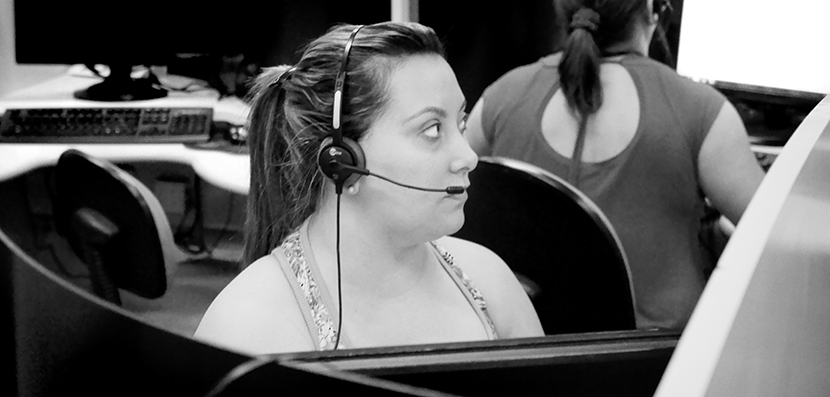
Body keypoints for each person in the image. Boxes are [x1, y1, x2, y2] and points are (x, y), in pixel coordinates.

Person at [194, 21, 544, 355]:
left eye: (461, 124)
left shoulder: (489, 281)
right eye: (433, 130)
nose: (468, 156)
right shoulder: (248, 326)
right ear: (341, 160)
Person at [464, 0, 765, 330]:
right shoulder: (699, 108)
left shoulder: (503, 96)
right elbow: (774, 234)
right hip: (652, 359)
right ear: (653, 10)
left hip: (526, 350)